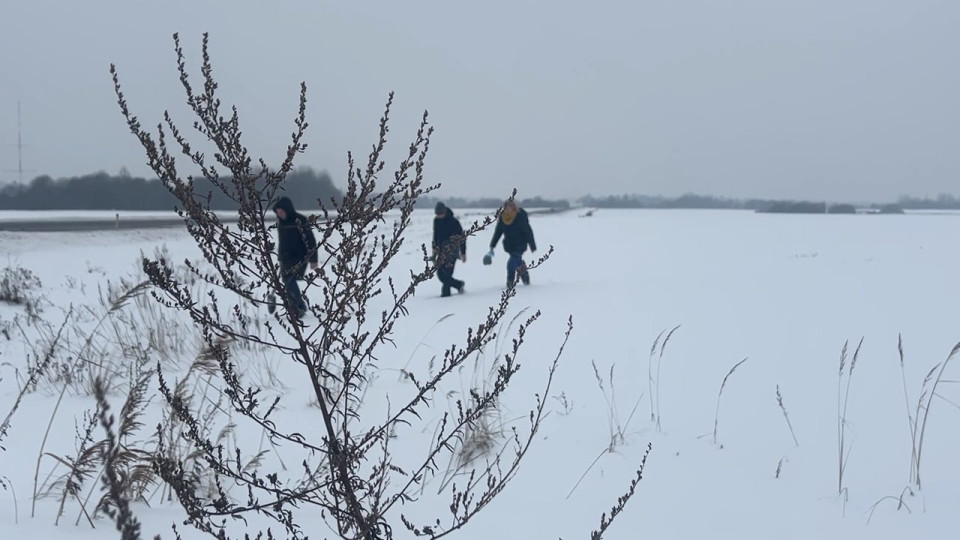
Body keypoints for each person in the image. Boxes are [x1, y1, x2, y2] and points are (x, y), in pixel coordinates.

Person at [271, 196, 318, 317]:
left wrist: (313, 259)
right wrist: (280, 256)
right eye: (278, 212)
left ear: (288, 209)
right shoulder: (282, 223)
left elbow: (311, 240)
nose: (280, 214)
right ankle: (296, 307)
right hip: (285, 257)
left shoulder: (300, 220)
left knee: (289, 280)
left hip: (300, 256)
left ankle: (299, 306)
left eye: (282, 212)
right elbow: (283, 242)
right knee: (287, 281)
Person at [487, 199, 536, 287]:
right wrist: (492, 245)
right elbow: (498, 232)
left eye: (509, 208)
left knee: (511, 264)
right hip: (509, 245)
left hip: (520, 244)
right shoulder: (503, 218)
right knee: (517, 262)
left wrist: (532, 244)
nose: (507, 210)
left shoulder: (520, 217)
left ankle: (510, 282)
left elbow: (528, 231)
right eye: (505, 208)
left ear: (513, 208)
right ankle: (524, 274)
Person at [432, 202, 467, 297]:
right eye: (437, 214)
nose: (439, 216)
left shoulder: (454, 222)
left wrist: (463, 252)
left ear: (444, 212)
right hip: (441, 250)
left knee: (447, 274)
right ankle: (459, 284)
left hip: (452, 251)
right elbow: (435, 235)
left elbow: (462, 238)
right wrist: (434, 248)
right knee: (440, 273)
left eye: (440, 214)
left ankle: (446, 297)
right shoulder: (436, 221)